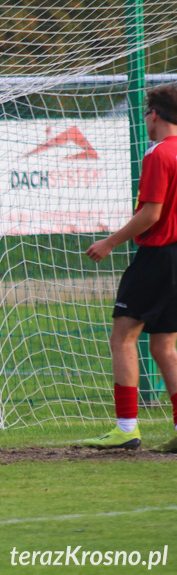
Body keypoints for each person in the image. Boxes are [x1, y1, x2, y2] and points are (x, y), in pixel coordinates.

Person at [83, 84, 177, 451]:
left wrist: (109, 242)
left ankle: (126, 428)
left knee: (123, 336)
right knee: (165, 347)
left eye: (145, 115)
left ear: (154, 115)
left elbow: (151, 214)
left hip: (157, 257)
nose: (146, 122)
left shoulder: (159, 155)